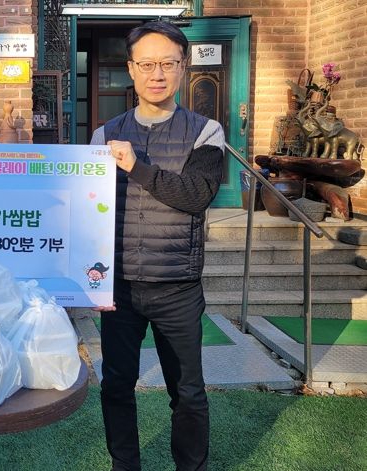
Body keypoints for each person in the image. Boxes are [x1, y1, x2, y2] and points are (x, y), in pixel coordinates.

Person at [90, 21, 225, 471]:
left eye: (168, 63)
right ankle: (124, 465)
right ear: (131, 69)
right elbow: (89, 213)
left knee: (188, 393)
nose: (157, 74)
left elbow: (196, 195)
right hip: (120, 289)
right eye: (146, 64)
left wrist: (137, 167)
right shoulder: (104, 135)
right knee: (116, 386)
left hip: (178, 288)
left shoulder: (206, 131)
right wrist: (92, 280)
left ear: (184, 68)